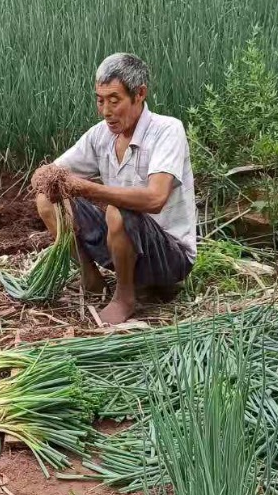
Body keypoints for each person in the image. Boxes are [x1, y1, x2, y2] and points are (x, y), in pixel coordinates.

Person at [32, 53, 197, 326]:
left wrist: (88, 189)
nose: (106, 111)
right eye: (100, 100)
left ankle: (124, 298)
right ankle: (91, 277)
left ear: (140, 94)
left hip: (168, 255)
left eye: (114, 100)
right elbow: (48, 173)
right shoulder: (101, 135)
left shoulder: (167, 130)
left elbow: (155, 198)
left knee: (117, 210)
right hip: (121, 248)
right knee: (48, 197)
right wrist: (45, 177)